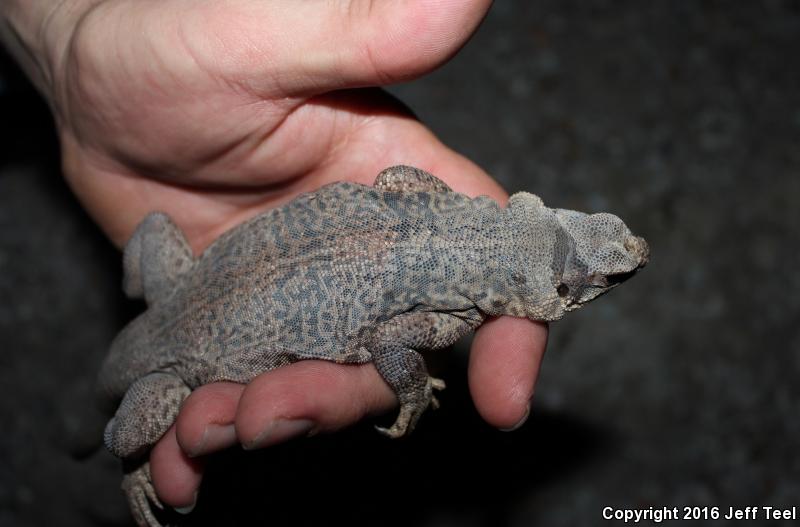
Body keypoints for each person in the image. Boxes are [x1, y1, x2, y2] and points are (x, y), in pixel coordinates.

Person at [1, 0, 547, 513]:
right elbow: (389, 339)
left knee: (155, 229)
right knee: (123, 434)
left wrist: (64, 30)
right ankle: (124, 458)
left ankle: (133, 300)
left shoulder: (448, 214)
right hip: (171, 361)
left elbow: (396, 178)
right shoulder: (446, 313)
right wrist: (411, 386)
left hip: (180, 284)